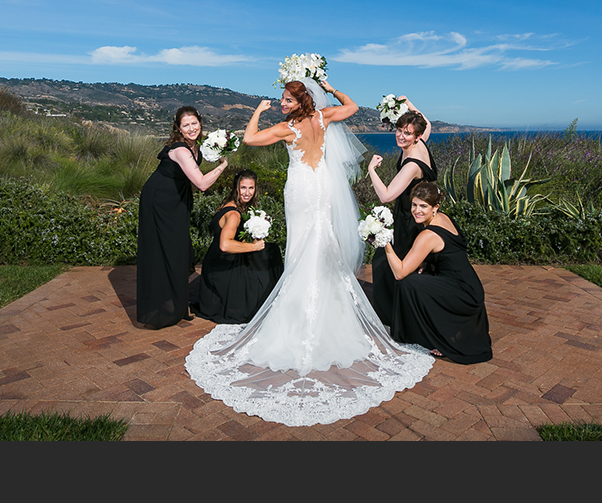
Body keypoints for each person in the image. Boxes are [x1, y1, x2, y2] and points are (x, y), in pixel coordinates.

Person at [185, 77, 434, 427]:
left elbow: (250, 138)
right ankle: (330, 314)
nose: (282, 103)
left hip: (300, 188)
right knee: (322, 242)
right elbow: (351, 107)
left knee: (303, 245)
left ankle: (300, 316)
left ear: (298, 101)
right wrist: (330, 87)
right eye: (281, 100)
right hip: (322, 187)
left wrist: (257, 111)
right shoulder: (324, 117)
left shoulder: (288, 128)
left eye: (286, 99)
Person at [137, 106, 227, 330]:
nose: (191, 128)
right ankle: (162, 308)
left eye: (194, 123)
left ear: (200, 123)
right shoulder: (180, 150)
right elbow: (202, 184)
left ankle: (178, 304)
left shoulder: (196, 146)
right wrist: (223, 166)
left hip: (177, 198)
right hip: (159, 201)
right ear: (178, 128)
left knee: (179, 249)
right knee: (165, 250)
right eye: (185, 125)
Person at [384, 181, 493, 364]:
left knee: (407, 283)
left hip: (462, 294)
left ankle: (436, 337)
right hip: (470, 287)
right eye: (414, 204)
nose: (417, 210)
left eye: (423, 206)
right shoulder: (443, 218)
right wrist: (426, 263)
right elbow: (449, 251)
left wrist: (385, 242)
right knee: (418, 277)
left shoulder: (427, 235)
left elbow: (399, 272)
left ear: (435, 207)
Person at [366, 98, 437, 326]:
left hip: (410, 221)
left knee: (388, 262)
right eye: (399, 130)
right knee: (389, 262)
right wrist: (409, 103)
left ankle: (395, 315)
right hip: (414, 215)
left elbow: (386, 196)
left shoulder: (412, 164)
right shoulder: (421, 142)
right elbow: (428, 124)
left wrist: (371, 170)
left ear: (416, 136)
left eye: (407, 133)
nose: (400, 136)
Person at [195, 169, 284, 324]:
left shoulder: (231, 204)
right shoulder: (234, 215)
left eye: (251, 188)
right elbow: (225, 244)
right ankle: (270, 299)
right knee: (269, 254)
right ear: (236, 188)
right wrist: (253, 247)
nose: (247, 193)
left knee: (270, 249)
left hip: (214, 262)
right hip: (222, 267)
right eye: (243, 188)